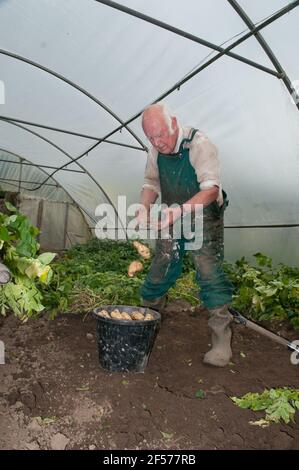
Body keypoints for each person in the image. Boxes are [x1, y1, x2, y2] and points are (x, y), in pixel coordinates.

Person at [137, 102, 234, 367]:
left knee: (207, 268)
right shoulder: (155, 151)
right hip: (173, 212)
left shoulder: (199, 144)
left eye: (162, 135)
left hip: (202, 212)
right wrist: (143, 208)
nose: (158, 142)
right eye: (151, 138)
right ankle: (146, 320)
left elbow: (211, 189)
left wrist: (179, 211)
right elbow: (151, 182)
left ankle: (221, 337)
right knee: (163, 262)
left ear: (175, 123)